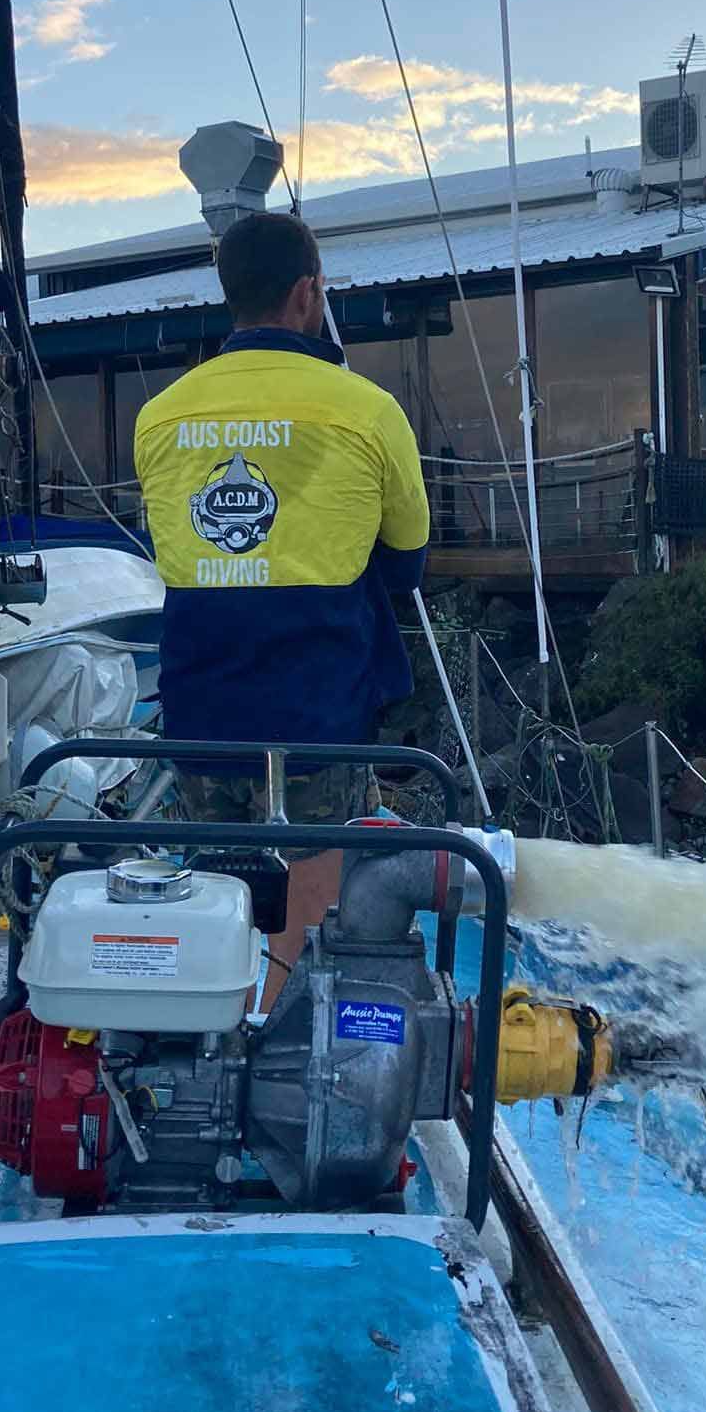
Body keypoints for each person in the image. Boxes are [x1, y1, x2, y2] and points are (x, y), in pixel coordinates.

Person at [133, 210, 429, 998]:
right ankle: (291, 1036)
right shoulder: (366, 410)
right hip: (320, 712)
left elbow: (175, 552)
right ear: (308, 293)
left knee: (216, 887)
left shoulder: (160, 417)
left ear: (228, 293)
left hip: (200, 710)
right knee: (313, 888)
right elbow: (406, 563)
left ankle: (210, 1039)